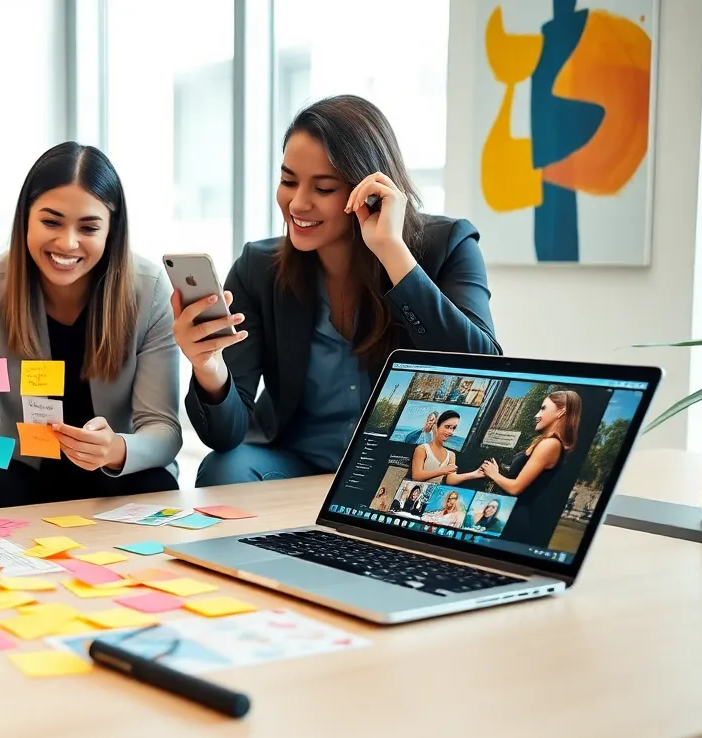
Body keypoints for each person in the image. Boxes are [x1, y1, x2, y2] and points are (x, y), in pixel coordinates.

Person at [176, 95, 501, 488]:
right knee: (223, 468)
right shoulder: (258, 268)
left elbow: (484, 369)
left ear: (370, 191)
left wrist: (392, 253)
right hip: (295, 462)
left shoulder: (447, 244)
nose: (297, 203)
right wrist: (208, 367)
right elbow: (224, 436)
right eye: (288, 181)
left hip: (396, 469)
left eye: (324, 188)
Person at [0, 142, 181, 511]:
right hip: (13, 454)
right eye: (50, 221)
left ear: (111, 230)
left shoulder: (148, 288)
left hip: (113, 461)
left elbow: (164, 431)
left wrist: (116, 449)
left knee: (157, 485)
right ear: (25, 219)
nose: (67, 243)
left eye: (88, 227)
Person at [482, 390, 582, 546]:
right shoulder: (546, 442)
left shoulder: (550, 444)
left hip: (515, 520)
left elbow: (516, 488)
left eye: (543, 408)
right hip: (510, 513)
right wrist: (499, 471)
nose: (537, 415)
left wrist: (494, 475)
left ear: (561, 412)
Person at [410, 410, 485, 485]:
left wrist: (475, 474)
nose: (451, 432)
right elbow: (417, 476)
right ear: (436, 426)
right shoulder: (422, 449)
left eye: (453, 428)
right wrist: (442, 471)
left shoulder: (451, 455)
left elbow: (450, 480)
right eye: (447, 427)